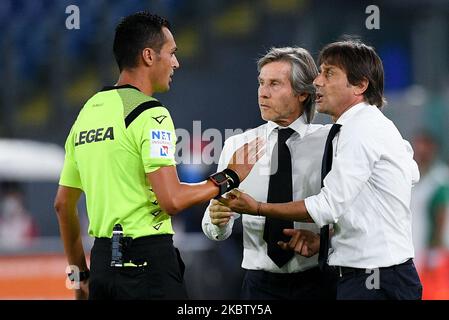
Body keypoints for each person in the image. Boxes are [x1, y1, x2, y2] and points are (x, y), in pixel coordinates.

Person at [54, 11, 262, 300]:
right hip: (147, 267)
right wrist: (230, 177)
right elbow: (172, 199)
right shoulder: (151, 113)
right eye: (172, 53)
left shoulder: (87, 112)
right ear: (149, 56)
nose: (176, 62)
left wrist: (79, 276)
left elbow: (63, 206)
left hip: (101, 267)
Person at [220, 39, 423, 300]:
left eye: (329, 73)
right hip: (359, 275)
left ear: (360, 85)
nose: (317, 81)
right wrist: (327, 241)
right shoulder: (357, 129)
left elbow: (327, 206)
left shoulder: (359, 131)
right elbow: (410, 172)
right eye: (319, 72)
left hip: (373, 279)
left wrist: (257, 209)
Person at [202, 47, 335, 299]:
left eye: (275, 84)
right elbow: (214, 226)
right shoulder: (237, 145)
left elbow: (345, 211)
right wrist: (217, 220)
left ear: (303, 93)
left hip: (319, 281)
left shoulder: (330, 142)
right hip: (258, 286)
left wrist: (325, 241)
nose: (263, 92)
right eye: (261, 83)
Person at [410, 130, 449, 299]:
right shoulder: (412, 177)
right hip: (413, 247)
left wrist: (436, 248)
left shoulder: (440, 178)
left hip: (432, 252)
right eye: (418, 146)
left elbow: (441, 213)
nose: (421, 150)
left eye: (425, 146)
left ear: (433, 148)